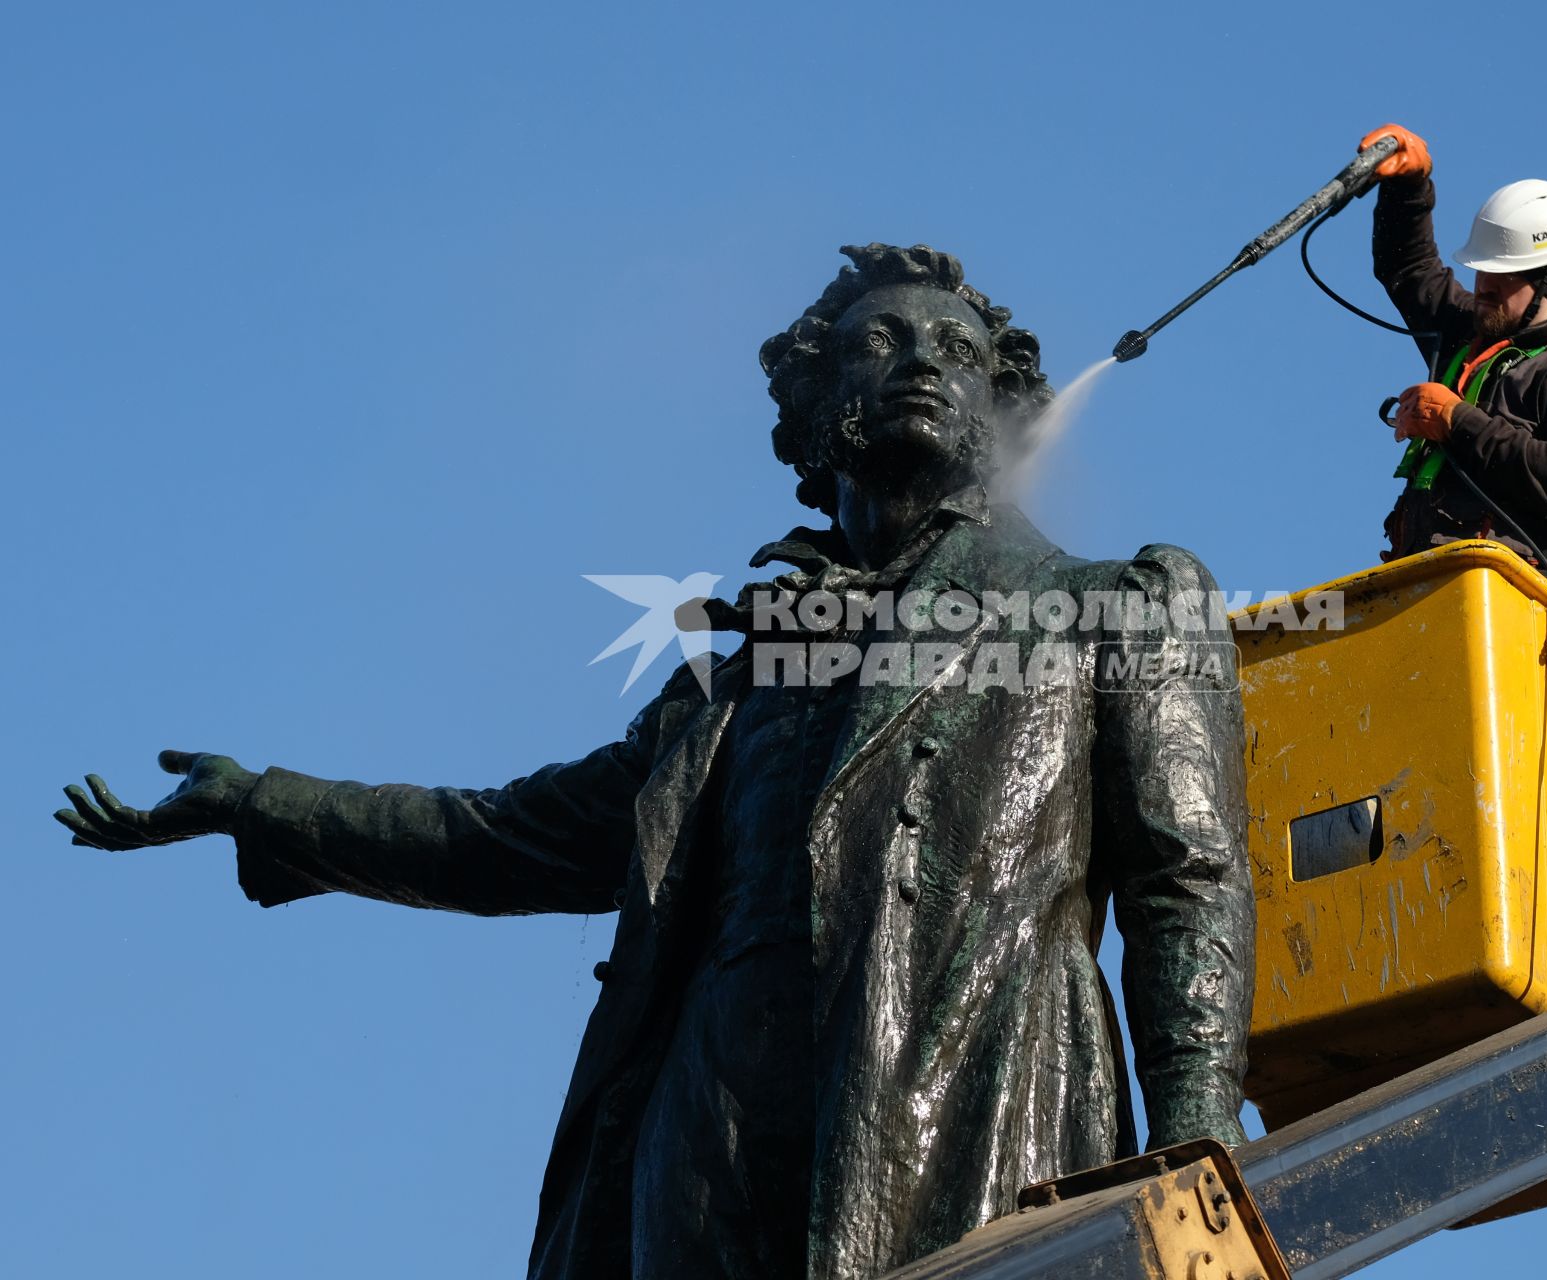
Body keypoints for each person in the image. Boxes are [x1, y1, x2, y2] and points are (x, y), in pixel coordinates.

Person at [54, 243, 1255, 1280]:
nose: (923, 360)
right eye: (879, 339)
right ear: (814, 404)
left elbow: (1184, 878)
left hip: (977, 1105)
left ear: (1005, 402)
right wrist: (267, 802)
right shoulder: (726, 691)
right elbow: (506, 833)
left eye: (954, 345)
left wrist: (1197, 1154)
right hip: (710, 1151)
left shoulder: (1116, 605)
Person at [1361, 123, 1547, 598]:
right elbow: (1407, 270)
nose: (1483, 286)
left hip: (1523, 609)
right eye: (1483, 271)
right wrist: (1408, 187)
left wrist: (1455, 420)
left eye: (1503, 275)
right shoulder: (1475, 332)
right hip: (1438, 591)